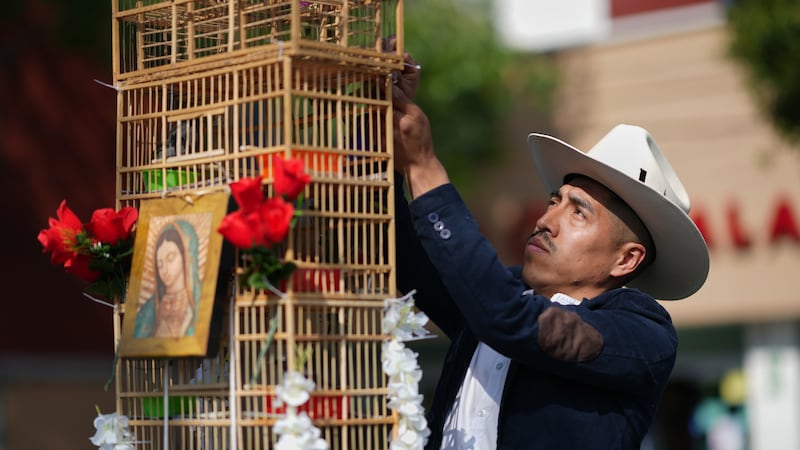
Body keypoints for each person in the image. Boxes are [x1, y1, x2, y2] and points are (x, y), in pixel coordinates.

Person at [391, 56, 710, 449]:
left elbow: (507, 317)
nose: (546, 219)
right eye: (554, 201)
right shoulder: (500, 295)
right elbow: (399, 251)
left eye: (578, 212)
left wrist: (424, 168)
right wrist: (378, 124)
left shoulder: (643, 333)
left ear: (626, 259)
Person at [134, 220, 202, 338]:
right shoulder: (149, 309)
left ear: (186, 256)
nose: (164, 270)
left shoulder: (202, 298)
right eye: (159, 264)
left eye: (170, 258)